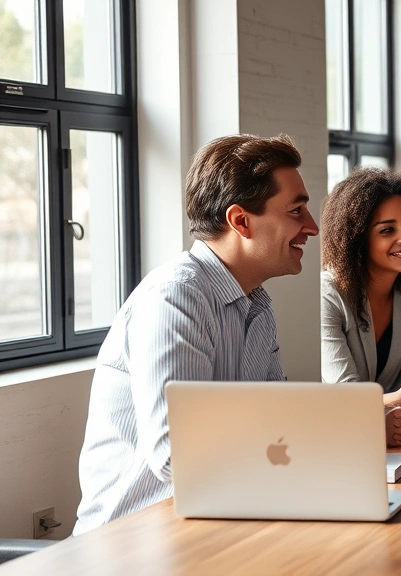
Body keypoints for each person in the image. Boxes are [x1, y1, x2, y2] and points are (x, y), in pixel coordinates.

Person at [74, 134, 335, 534]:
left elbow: (278, 423)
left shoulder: (257, 306)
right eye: (297, 211)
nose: (312, 227)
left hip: (222, 519)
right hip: (133, 543)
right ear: (241, 221)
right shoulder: (175, 299)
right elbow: (176, 456)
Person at [321, 167, 401, 442]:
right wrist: (394, 401)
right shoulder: (328, 295)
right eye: (387, 230)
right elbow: (343, 395)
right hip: (331, 435)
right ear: (357, 240)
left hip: (390, 434)